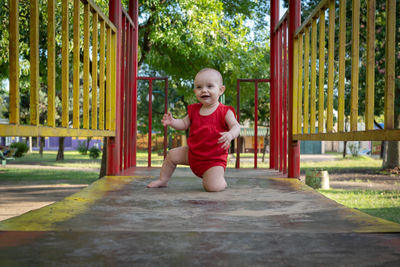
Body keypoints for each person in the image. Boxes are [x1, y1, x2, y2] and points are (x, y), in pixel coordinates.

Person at [147, 68, 240, 192]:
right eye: (199, 87)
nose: (204, 90)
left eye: (210, 86)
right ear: (195, 91)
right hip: (192, 154)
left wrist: (230, 134)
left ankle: (219, 180)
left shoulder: (224, 112)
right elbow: (184, 123)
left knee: (213, 187)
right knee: (172, 155)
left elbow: (236, 126)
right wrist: (173, 121)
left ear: (221, 90)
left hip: (213, 160)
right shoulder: (194, 110)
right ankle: (163, 180)